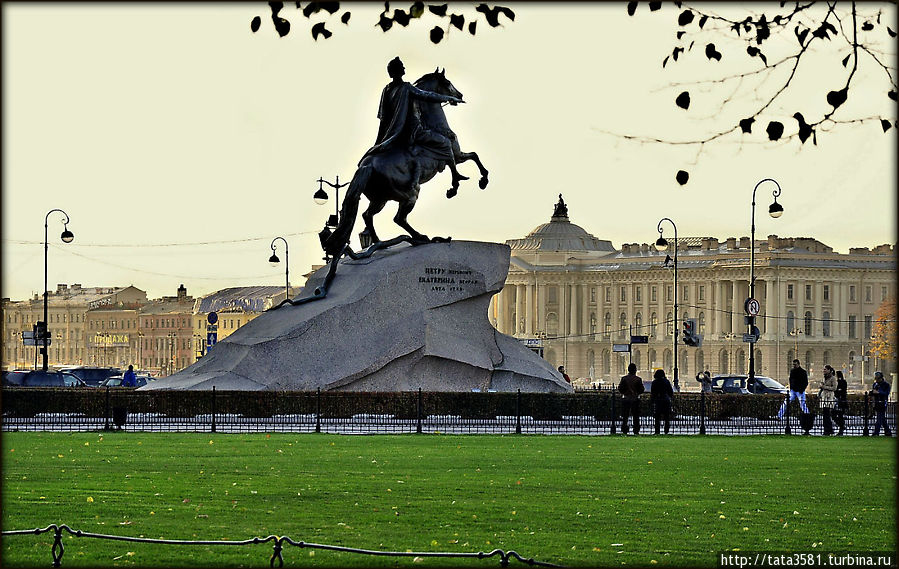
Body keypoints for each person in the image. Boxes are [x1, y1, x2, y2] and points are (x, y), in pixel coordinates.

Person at [361, 57, 464, 191]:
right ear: (398, 71)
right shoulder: (406, 87)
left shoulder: (386, 90)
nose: (404, 68)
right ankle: (455, 176)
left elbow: (383, 117)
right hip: (413, 132)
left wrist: (380, 142)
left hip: (392, 134)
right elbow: (427, 95)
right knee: (445, 142)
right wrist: (448, 98)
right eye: (402, 66)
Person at [618, 363, 644, 434]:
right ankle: (636, 429)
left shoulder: (624, 379)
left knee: (625, 416)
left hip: (626, 398)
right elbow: (641, 389)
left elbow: (620, 388)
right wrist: (636, 393)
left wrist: (625, 392)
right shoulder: (638, 379)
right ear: (635, 370)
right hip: (635, 399)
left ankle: (624, 429)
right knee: (636, 416)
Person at [650, 368, 674, 435]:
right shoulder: (666, 381)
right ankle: (666, 431)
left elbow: (653, 393)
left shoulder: (654, 382)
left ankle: (657, 431)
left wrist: (652, 401)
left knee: (657, 417)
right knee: (666, 417)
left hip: (658, 401)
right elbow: (670, 392)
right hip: (666, 400)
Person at [818, 365, 837, 435]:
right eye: (823, 370)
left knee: (827, 414)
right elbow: (821, 385)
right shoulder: (824, 378)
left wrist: (824, 387)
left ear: (829, 370)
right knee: (825, 414)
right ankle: (827, 429)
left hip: (829, 397)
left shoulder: (833, 378)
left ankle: (828, 430)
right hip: (824, 396)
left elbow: (834, 388)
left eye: (825, 369)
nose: (824, 371)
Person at [871, 371, 892, 437]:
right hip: (877, 403)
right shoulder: (875, 384)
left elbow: (886, 393)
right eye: (876, 379)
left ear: (881, 378)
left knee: (879, 418)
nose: (876, 380)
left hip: (883, 402)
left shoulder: (886, 385)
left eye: (878, 379)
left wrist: (879, 392)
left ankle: (876, 432)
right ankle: (887, 431)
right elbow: (873, 393)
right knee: (882, 418)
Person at [834, 370, 848, 435]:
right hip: (839, 400)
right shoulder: (838, 382)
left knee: (840, 415)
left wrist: (838, 391)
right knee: (835, 415)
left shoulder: (842, 382)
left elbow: (841, 391)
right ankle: (841, 426)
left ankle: (841, 428)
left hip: (841, 401)